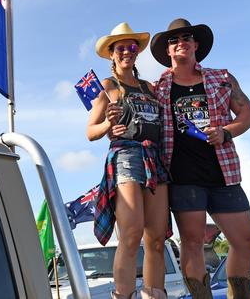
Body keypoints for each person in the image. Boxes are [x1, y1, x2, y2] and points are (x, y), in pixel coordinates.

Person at [150, 18, 250, 299]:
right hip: (182, 176)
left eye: (186, 37)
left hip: (224, 173)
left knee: (246, 240)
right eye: (173, 40)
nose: (180, 42)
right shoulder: (157, 87)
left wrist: (225, 131)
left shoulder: (222, 78)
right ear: (168, 51)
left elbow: (247, 114)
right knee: (193, 241)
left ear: (196, 44)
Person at [89, 22, 171, 299]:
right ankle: (124, 295)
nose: (126, 51)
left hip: (154, 158)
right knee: (132, 233)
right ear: (111, 54)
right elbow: (91, 131)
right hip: (126, 155)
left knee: (157, 238)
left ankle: (154, 294)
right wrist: (107, 127)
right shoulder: (108, 87)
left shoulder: (149, 87)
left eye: (131, 47)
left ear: (137, 52)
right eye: (120, 47)